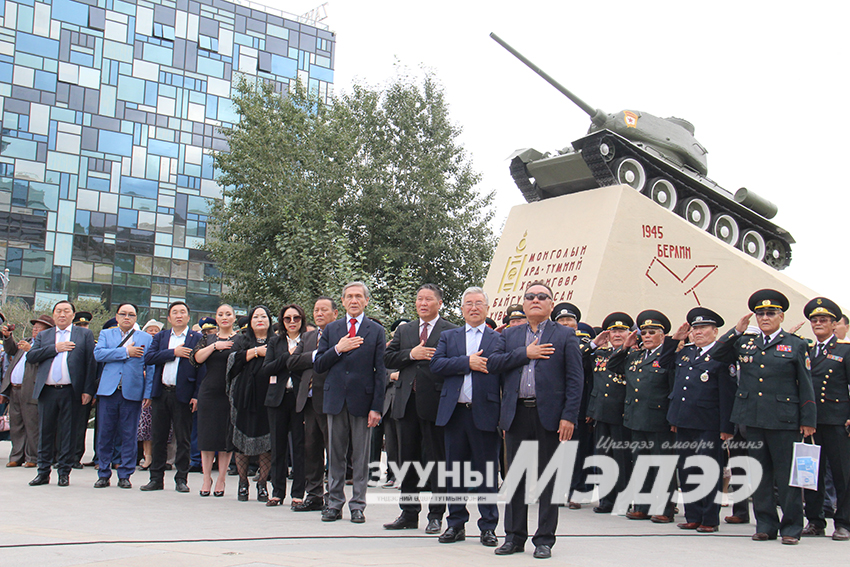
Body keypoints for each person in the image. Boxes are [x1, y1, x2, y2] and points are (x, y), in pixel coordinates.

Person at [487, 281, 584, 559]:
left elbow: (575, 381)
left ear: (551, 305)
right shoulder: (510, 335)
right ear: (524, 303)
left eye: (542, 297)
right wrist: (524, 354)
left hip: (550, 417)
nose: (535, 300)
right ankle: (514, 537)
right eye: (530, 297)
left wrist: (569, 417)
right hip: (517, 414)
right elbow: (493, 364)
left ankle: (544, 539)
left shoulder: (564, 335)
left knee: (548, 479)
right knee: (515, 478)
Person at [713, 289, 816, 545]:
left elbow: (806, 385)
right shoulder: (745, 342)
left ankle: (791, 527)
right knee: (760, 475)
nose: (765, 317)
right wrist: (736, 330)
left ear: (781, 316)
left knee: (786, 477)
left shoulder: (796, 344)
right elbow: (717, 355)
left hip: (784, 420)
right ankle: (766, 525)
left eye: (770, 313)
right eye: (760, 314)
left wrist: (808, 420)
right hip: (753, 419)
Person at [430, 286, 502, 547]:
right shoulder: (450, 337)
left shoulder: (497, 339)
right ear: (461, 309)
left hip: (485, 413)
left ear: (487, 308)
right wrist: (466, 362)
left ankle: (488, 527)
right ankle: (456, 524)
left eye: (479, 303)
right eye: (468, 303)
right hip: (455, 413)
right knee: (455, 473)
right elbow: (436, 365)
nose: (473, 308)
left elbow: (503, 372)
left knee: (486, 474)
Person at [383, 284, 457, 533]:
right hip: (406, 402)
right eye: (419, 299)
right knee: (408, 459)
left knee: (437, 461)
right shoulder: (405, 331)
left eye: (428, 299)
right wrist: (411, 354)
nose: (422, 303)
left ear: (439, 303)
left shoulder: (451, 330)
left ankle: (436, 514)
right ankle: (408, 512)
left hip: (436, 403)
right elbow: (388, 359)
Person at [607, 310, 688, 522]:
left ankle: (664, 508)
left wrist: (673, 420)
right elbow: (612, 366)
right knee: (641, 463)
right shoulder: (635, 356)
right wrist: (626, 346)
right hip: (636, 418)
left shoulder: (668, 357)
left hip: (659, 420)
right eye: (644, 333)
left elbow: (673, 389)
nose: (647, 336)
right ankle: (642, 506)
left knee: (662, 465)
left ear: (663, 335)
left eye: (652, 332)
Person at [315, 282, 386, 523]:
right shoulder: (332, 329)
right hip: (335, 399)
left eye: (358, 296)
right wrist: (338, 348)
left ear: (366, 301)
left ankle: (358, 505)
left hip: (363, 401)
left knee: (361, 457)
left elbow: (380, 372)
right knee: (335, 455)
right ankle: (334, 503)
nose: (353, 300)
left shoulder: (376, 330)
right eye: (349, 297)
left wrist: (377, 406)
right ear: (342, 302)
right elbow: (319, 364)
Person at [667, 307, 736, 532]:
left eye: (703, 328)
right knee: (687, 469)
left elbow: (727, 394)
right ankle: (693, 514)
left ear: (715, 331)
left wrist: (726, 427)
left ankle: (709, 518)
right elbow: (666, 367)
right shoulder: (686, 353)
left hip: (709, 423)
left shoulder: (722, 355)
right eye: (695, 328)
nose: (698, 332)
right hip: (684, 420)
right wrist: (674, 339)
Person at [27, 301, 96, 487]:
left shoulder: (84, 334)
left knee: (68, 433)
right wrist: (55, 349)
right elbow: (31, 356)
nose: (62, 314)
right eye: (59, 311)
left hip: (71, 391)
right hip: (47, 391)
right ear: (54, 314)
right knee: (45, 432)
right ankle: (42, 472)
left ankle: (64, 472)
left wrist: (88, 390)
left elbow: (91, 364)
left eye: (66, 311)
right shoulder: (44, 335)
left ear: (73, 315)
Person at [799, 297, 850, 541]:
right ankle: (815, 520)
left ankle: (844, 523)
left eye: (824, 320)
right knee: (810, 474)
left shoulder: (844, 350)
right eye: (815, 320)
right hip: (810, 423)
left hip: (837, 421)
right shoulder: (806, 350)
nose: (818, 324)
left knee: (842, 474)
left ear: (834, 324)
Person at [141, 301, 203, 493]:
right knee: (159, 437)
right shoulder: (160, 336)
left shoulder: (197, 338)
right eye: (174, 312)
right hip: (162, 393)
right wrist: (172, 353)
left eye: (182, 312)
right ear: (168, 318)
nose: (178, 315)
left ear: (188, 317)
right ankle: (156, 478)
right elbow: (149, 357)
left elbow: (202, 369)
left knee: (183, 437)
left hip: (183, 394)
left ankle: (181, 479)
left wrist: (196, 395)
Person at [92, 303, 154, 489]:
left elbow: (150, 367)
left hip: (132, 391)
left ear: (136, 318)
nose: (127, 317)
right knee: (105, 434)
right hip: (108, 391)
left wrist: (148, 393)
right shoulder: (106, 334)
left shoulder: (145, 338)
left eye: (131, 315)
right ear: (117, 316)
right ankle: (103, 473)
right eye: (123, 314)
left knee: (129, 435)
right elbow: (99, 354)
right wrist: (126, 352)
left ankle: (125, 474)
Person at [288, 297, 339, 511]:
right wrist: (318, 355)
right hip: (307, 401)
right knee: (311, 448)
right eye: (316, 310)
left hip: (331, 400)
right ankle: (314, 494)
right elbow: (292, 361)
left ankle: (333, 497)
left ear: (335, 313)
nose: (319, 313)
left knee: (333, 450)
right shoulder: (308, 337)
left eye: (324, 310)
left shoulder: (341, 335)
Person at [584, 312, 633, 513]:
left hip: (622, 413)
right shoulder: (599, 355)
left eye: (621, 331)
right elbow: (577, 358)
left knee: (622, 458)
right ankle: (606, 499)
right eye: (613, 331)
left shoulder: (633, 354)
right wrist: (594, 344)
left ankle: (623, 499)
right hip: (601, 412)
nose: (617, 335)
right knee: (603, 457)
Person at [262, 304, 307, 507]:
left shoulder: (308, 340)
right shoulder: (275, 341)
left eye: (296, 318)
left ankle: (298, 493)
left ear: (302, 320)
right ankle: (277, 492)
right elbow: (267, 369)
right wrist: (287, 356)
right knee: (278, 446)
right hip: (277, 398)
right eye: (287, 318)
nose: (292, 322)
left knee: (299, 446)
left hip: (300, 398)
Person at [228, 305, 274, 502]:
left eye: (264, 316)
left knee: (267, 443)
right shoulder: (241, 340)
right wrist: (256, 352)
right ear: (250, 321)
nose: (260, 320)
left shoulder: (276, 341)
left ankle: (262, 483)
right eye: (256, 317)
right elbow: (232, 361)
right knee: (241, 442)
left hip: (269, 397)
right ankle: (242, 482)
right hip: (243, 396)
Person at [191, 306, 237, 497]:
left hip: (231, 392)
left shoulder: (240, 339)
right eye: (220, 314)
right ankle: (206, 478)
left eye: (228, 314)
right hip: (209, 391)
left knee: (226, 437)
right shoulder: (207, 339)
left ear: (234, 318)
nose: (224, 317)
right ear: (216, 319)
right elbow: (195, 360)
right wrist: (214, 346)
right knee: (207, 437)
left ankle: (222, 478)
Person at [1, 315, 54, 468]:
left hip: (31, 388)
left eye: (40, 328)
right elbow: (11, 350)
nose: (35, 330)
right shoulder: (28, 341)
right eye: (34, 327)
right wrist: (8, 337)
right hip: (15, 389)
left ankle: (33, 456)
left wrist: (31, 350)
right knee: (16, 423)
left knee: (32, 424)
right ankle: (17, 456)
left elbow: (44, 361)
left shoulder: (47, 345)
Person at [137, 320, 163, 469]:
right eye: (150, 330)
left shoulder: (164, 345)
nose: (153, 332)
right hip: (145, 391)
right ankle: (147, 457)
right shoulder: (142, 345)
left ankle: (161, 458)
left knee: (161, 429)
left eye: (156, 330)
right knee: (145, 428)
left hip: (161, 389)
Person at [71, 310, 95, 468]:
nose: (83, 328)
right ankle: (61, 455)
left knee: (80, 425)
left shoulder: (95, 345)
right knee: (64, 425)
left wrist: (91, 391)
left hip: (85, 391)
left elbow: (93, 370)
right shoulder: (69, 343)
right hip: (67, 389)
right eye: (79, 325)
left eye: (85, 325)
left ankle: (75, 457)